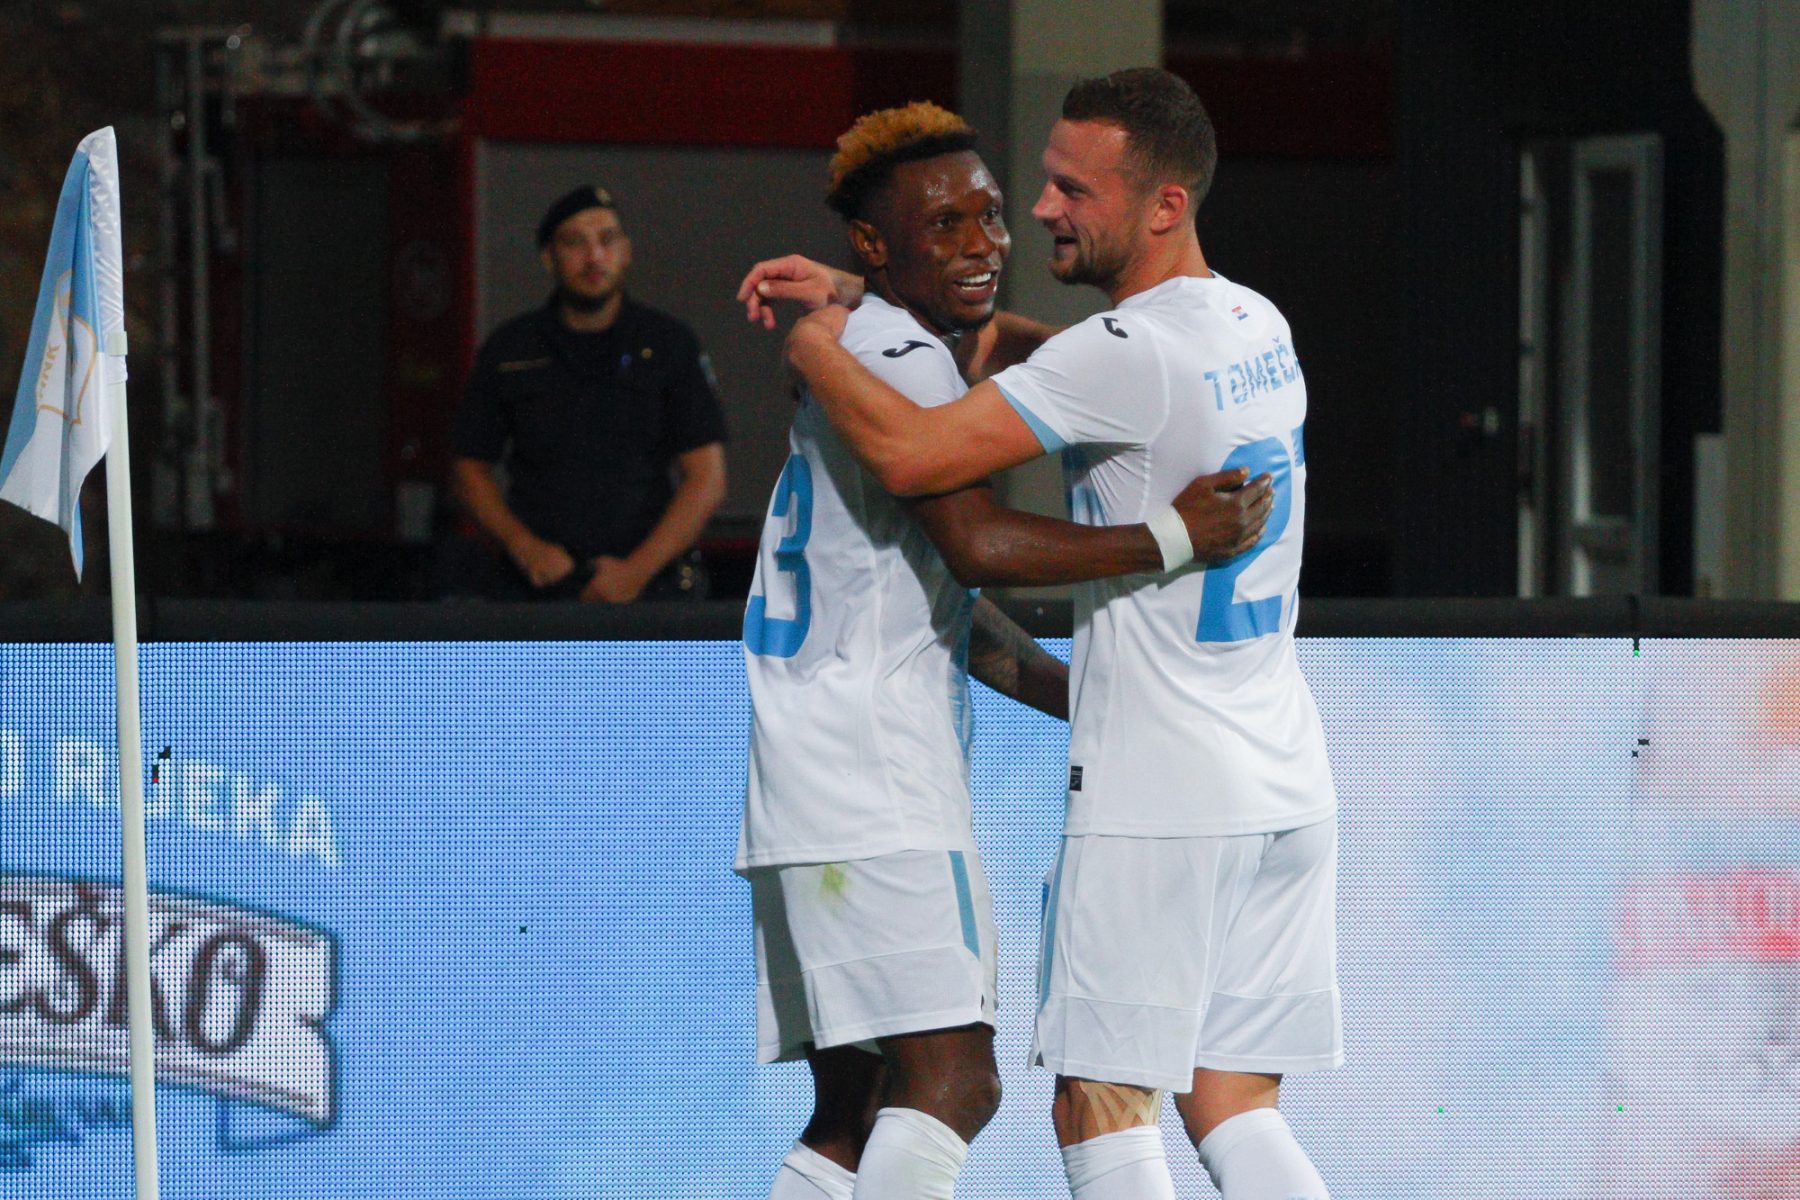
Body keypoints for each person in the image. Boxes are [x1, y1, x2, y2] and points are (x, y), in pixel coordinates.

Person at [771, 70, 1339, 1200]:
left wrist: (819, 342)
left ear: (1165, 204)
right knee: (1233, 1101)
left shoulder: (1119, 354)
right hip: (1283, 773)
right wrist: (872, 292)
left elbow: (918, 458)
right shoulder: (1253, 321)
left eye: (1073, 190)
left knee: (1099, 1108)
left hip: (1160, 790)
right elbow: (1066, 366)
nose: (1040, 211)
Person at [448, 186, 727, 602]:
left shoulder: (668, 344)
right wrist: (524, 547)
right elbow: (468, 469)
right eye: (575, 242)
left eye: (607, 240)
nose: (594, 256)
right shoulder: (511, 350)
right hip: (537, 587)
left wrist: (636, 571)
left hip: (652, 588)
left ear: (627, 251)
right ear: (549, 257)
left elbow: (707, 478)